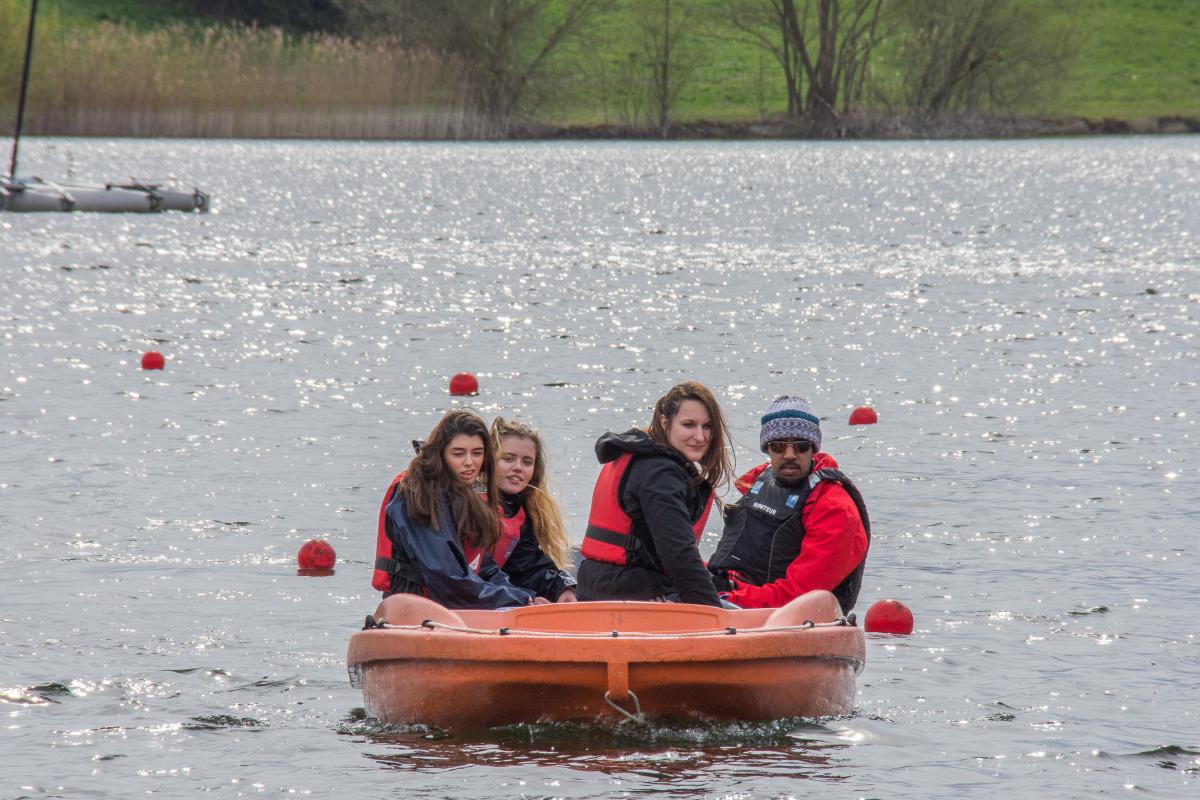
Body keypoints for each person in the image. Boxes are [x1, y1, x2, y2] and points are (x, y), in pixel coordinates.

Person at [708, 396, 869, 613]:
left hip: (782, 615)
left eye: (801, 446)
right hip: (732, 597)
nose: (790, 455)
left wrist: (719, 598)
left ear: (813, 448)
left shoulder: (835, 509)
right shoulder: (759, 482)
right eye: (778, 446)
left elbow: (798, 595)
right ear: (767, 449)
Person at [577, 381, 732, 607]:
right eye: (688, 425)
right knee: (727, 610)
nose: (700, 436)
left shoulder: (641, 456)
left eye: (707, 427)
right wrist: (715, 614)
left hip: (600, 583)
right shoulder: (660, 475)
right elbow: (678, 554)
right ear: (664, 422)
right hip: (630, 592)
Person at [371, 409, 538, 609]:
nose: (469, 462)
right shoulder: (419, 495)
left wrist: (526, 598)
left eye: (477, 453)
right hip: (412, 607)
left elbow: (483, 568)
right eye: (458, 453)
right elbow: (448, 582)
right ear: (441, 453)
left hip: (448, 605)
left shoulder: (464, 494)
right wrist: (516, 599)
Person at [490, 417, 578, 602]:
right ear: (488, 460)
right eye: (508, 459)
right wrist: (525, 599)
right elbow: (480, 575)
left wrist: (563, 588)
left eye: (527, 462)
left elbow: (526, 567)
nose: (518, 468)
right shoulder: (471, 506)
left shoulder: (522, 511)